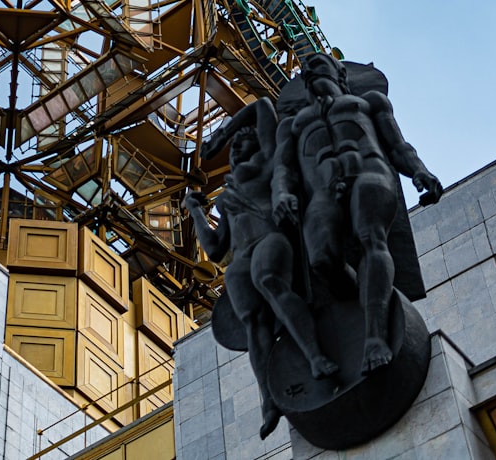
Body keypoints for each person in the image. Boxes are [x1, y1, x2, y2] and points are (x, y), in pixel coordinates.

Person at [272, 53, 443, 374]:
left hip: (369, 172)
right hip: (322, 190)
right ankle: (363, 298)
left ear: (340, 73)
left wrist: (419, 171)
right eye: (305, 68)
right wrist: (281, 193)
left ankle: (375, 335)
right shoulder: (293, 125)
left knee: (372, 238)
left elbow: (398, 145)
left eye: (319, 63)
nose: (309, 69)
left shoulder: (368, 102)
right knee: (321, 258)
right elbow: (284, 168)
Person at [184, 97, 337, 439]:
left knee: (270, 280)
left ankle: (315, 356)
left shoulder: (269, 163)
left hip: (270, 239)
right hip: (238, 259)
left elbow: (262, 107)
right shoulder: (226, 195)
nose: (236, 151)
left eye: (243, 144)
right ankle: (268, 398)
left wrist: (223, 135)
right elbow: (214, 247)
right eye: (233, 149)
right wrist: (195, 212)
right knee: (254, 323)